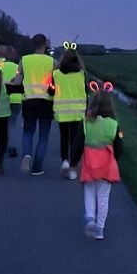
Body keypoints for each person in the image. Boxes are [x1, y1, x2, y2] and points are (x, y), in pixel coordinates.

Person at [70, 89, 123, 240]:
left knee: (89, 193)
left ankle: (90, 218)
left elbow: (77, 144)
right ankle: (100, 229)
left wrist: (73, 162)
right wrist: (116, 160)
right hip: (107, 167)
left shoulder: (86, 123)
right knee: (103, 197)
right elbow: (119, 146)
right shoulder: (114, 125)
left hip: (89, 164)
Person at [10, 34, 57, 175]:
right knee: (43, 135)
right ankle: (37, 167)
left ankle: (26, 155)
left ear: (33, 44)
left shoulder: (24, 60)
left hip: (29, 101)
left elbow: (18, 80)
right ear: (45, 44)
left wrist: (14, 80)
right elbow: (58, 79)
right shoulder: (52, 61)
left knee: (28, 132)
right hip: (46, 102)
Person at [48, 44, 87, 180]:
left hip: (62, 111)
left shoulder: (56, 74)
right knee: (75, 141)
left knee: (64, 137)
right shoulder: (82, 74)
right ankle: (73, 168)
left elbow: (51, 91)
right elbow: (86, 93)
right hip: (77, 112)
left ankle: (64, 160)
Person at [0, 45, 22, 157]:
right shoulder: (17, 67)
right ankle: (12, 146)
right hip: (16, 99)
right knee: (12, 123)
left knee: (3, 123)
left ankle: (3, 145)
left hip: (2, 98)